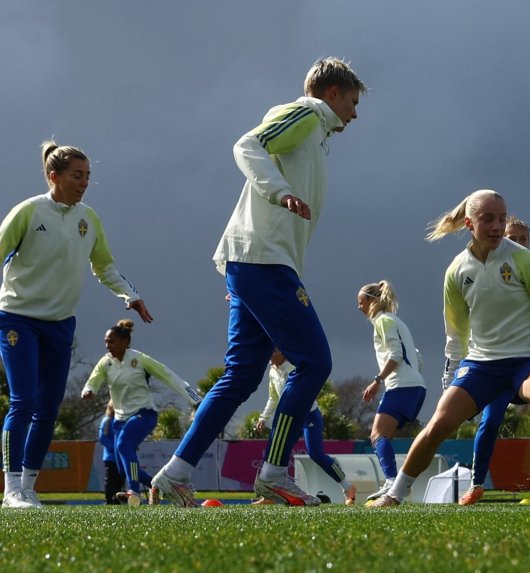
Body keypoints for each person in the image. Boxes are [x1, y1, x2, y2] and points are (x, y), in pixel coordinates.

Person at [149, 59, 365, 508]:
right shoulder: (306, 114)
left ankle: (174, 474)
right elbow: (247, 144)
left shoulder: (317, 134)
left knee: (241, 375)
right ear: (331, 94)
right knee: (314, 363)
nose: (355, 113)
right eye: (352, 101)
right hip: (262, 261)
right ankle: (274, 472)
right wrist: (277, 190)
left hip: (254, 261)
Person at [366, 190, 530, 507]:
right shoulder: (456, 271)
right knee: (439, 423)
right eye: (488, 219)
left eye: (501, 218)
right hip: (481, 366)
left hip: (526, 362)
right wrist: (450, 378)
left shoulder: (524, 260)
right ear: (469, 223)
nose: (497, 226)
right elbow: (455, 331)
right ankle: (396, 493)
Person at [0, 142, 153, 509]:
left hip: (59, 323)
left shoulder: (88, 218)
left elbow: (103, 266)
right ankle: (11, 490)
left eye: (88, 176)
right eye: (77, 175)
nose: (84, 182)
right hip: (18, 319)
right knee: (23, 401)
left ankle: (27, 488)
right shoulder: (28, 211)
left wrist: (129, 294)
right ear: (53, 176)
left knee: (49, 408)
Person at [455, 216, 530, 505]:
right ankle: (476, 484)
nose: (518, 244)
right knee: (490, 422)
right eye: (512, 238)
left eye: (523, 239)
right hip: (498, 364)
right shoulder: (484, 270)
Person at [80, 319, 201, 506]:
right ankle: (159, 488)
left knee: (123, 445)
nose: (107, 345)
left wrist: (195, 399)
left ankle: (133, 491)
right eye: (106, 341)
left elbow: (167, 375)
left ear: (125, 343)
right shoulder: (106, 363)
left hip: (144, 413)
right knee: (123, 467)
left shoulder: (139, 359)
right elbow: (93, 380)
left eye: (111, 341)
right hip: (119, 419)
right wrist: (88, 390)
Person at [356, 281, 425, 504]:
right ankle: (393, 483)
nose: (359, 308)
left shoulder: (382, 321)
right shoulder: (396, 320)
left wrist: (377, 381)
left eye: (361, 302)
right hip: (416, 386)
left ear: (372, 301)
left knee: (377, 435)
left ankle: (392, 484)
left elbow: (395, 355)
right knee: (384, 435)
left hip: (402, 386)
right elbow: (417, 356)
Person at [256, 350, 352, 503]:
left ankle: (348, 487)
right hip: (290, 417)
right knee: (276, 451)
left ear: (281, 352)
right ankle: (271, 495)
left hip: (309, 415)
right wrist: (263, 417)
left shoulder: (294, 367)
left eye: (273, 351)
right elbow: (273, 398)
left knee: (316, 454)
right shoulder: (272, 371)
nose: (269, 355)